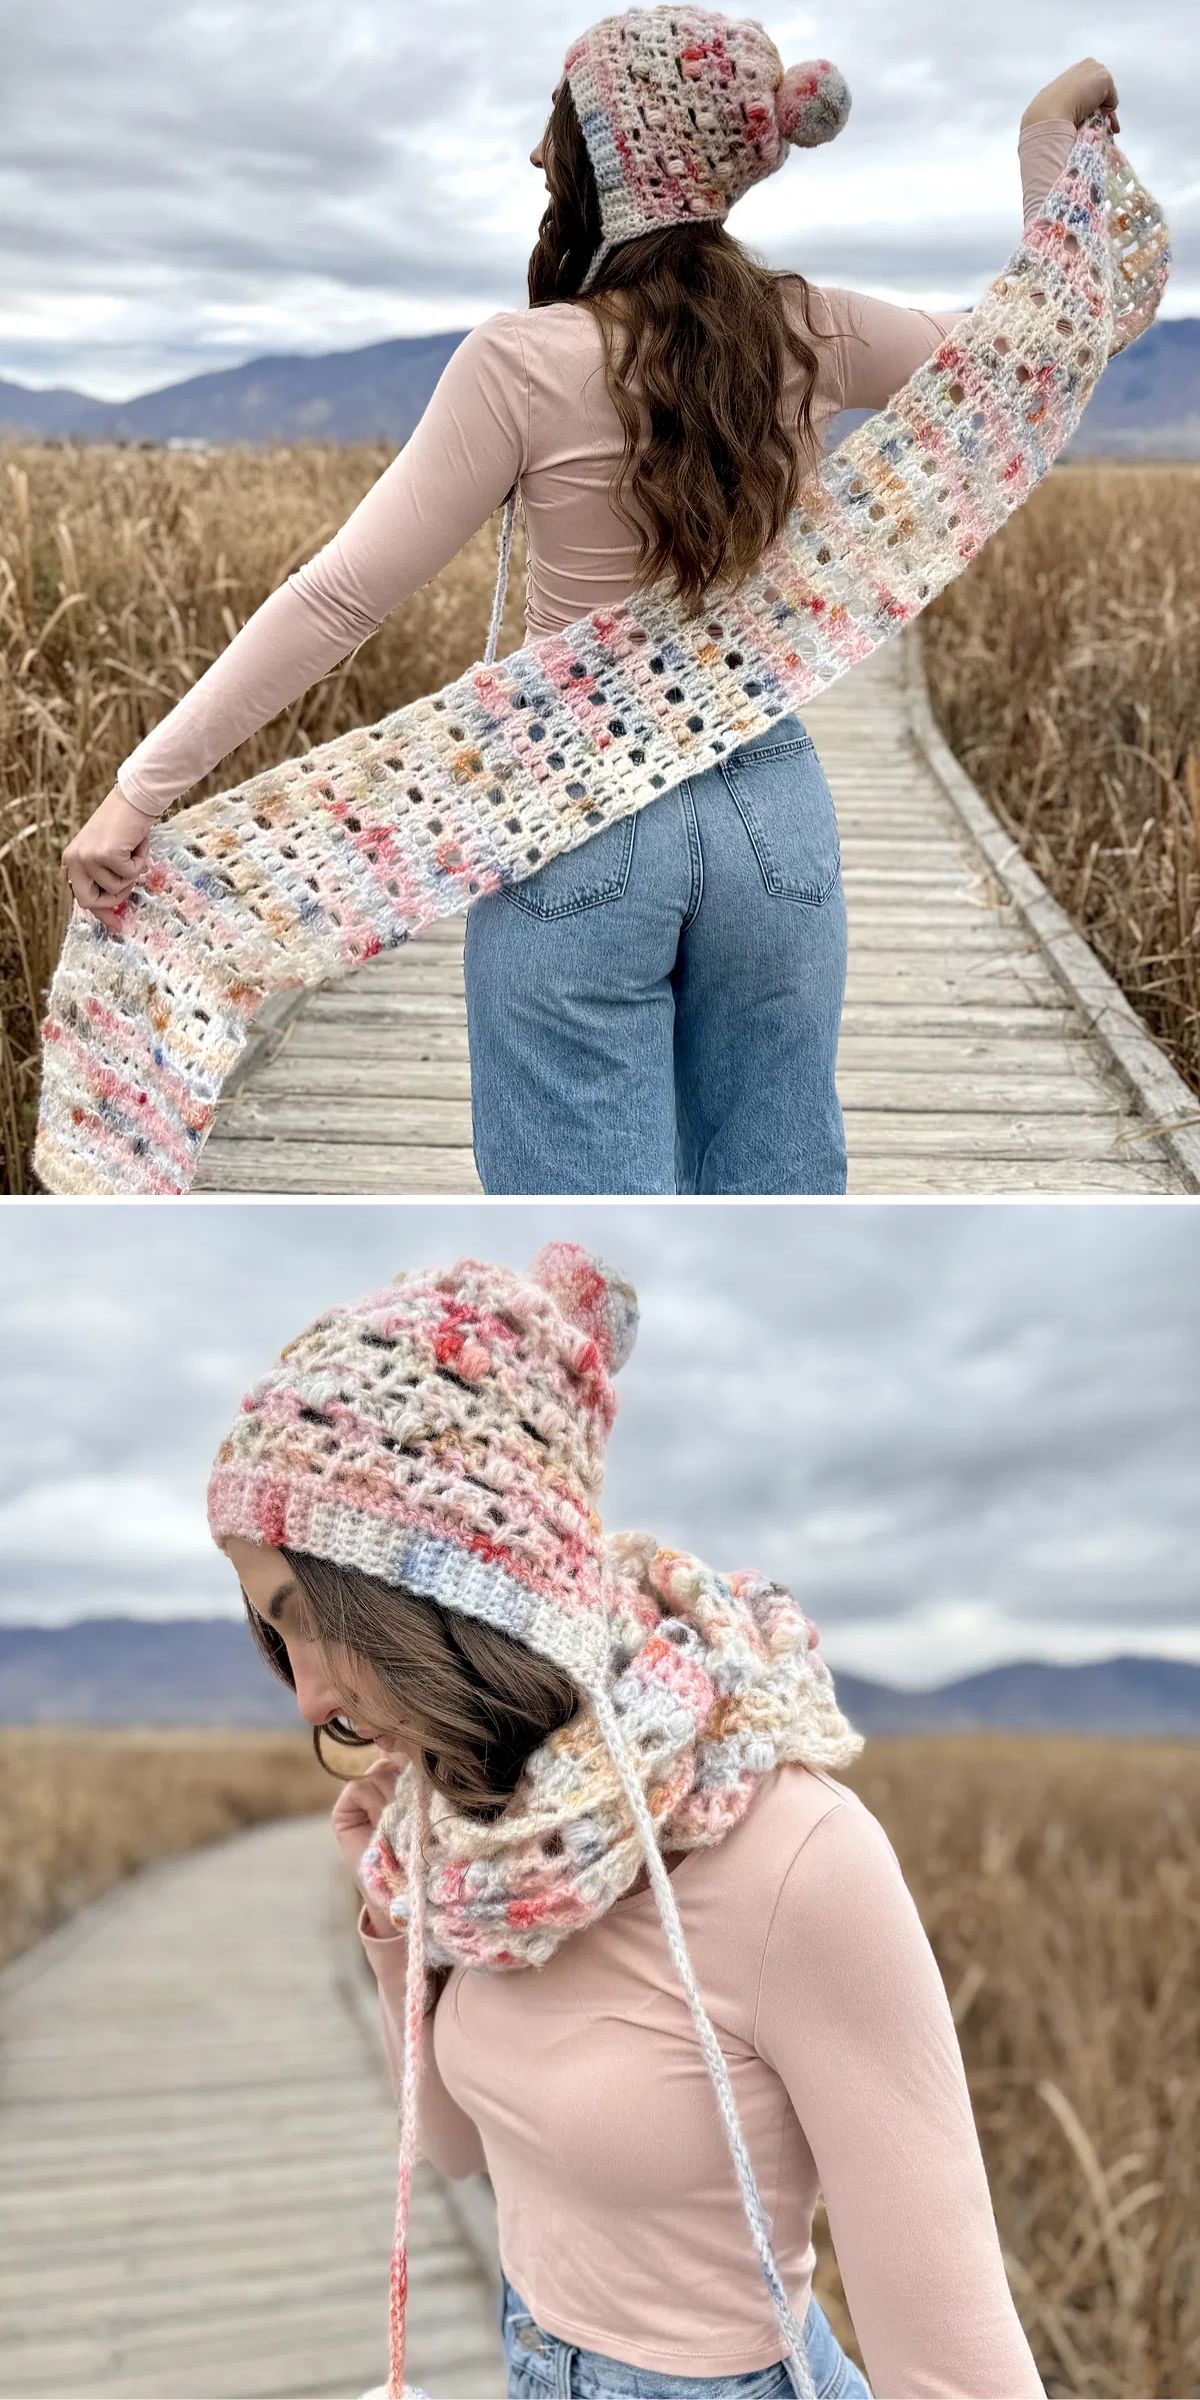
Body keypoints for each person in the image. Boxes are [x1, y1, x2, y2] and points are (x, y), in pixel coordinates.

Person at [62, 17, 1115, 1192]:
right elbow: (1050, 346)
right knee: (778, 1210)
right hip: (776, 818)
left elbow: (340, 597)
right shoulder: (819, 326)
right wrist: (1050, 136)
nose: (531, 160)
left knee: (587, 1212)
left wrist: (138, 791)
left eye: (554, 131)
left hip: (575, 822)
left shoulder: (520, 361)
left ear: (613, 162)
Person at [208, 1238, 1047, 2399]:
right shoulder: (467, 1828)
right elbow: (458, 2147)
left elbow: (960, 2371)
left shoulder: (798, 1860)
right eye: (271, 1636)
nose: (303, 1695)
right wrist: (395, 1914)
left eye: (311, 1619)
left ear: (445, 1592)